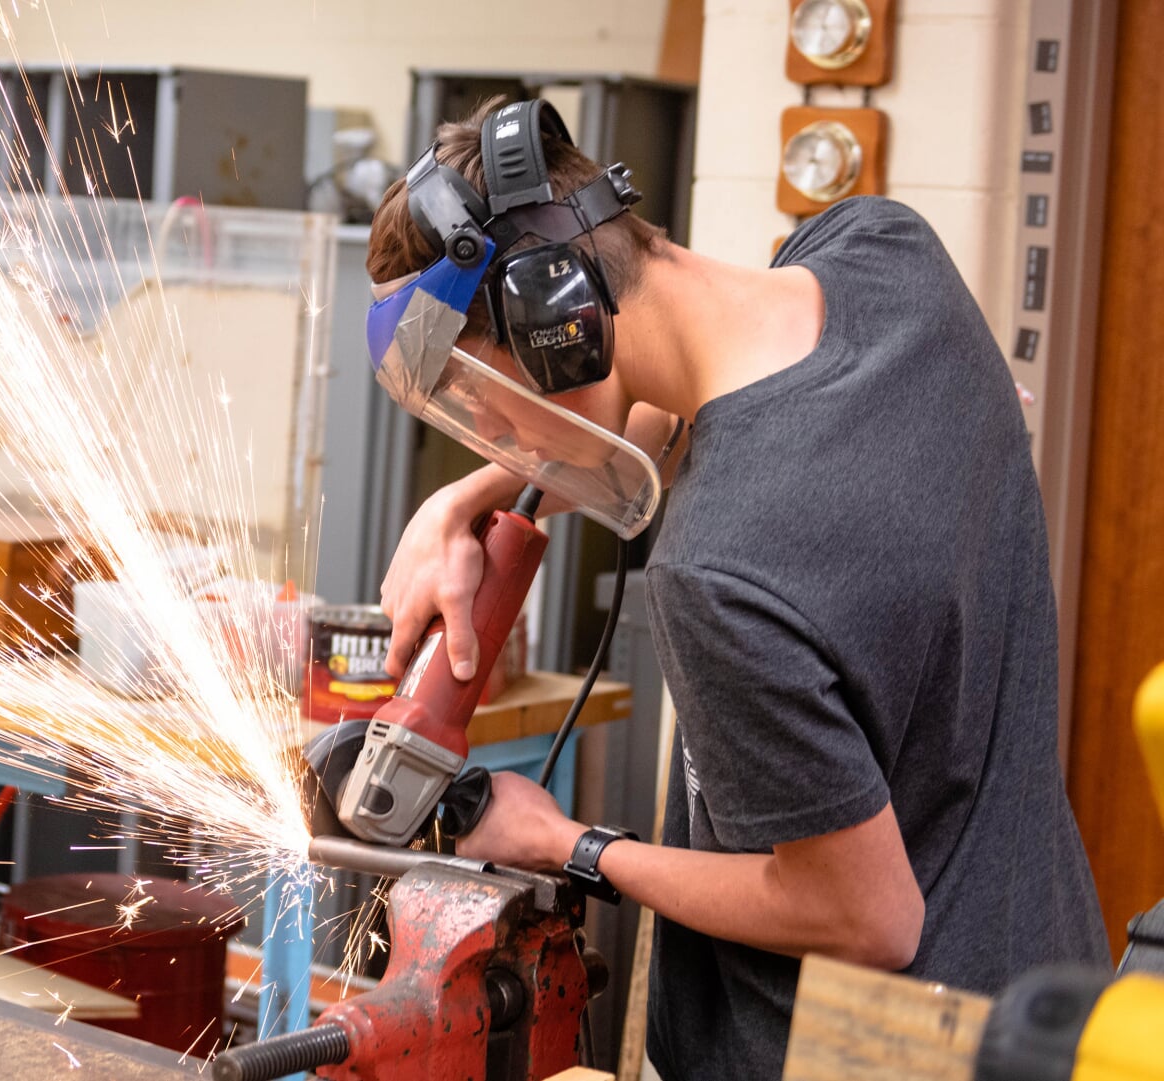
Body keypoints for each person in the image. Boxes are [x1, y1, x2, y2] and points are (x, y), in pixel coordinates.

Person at [367, 98, 1108, 1080]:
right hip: (1051, 996)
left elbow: (869, 916)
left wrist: (568, 841)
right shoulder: (889, 254)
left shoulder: (718, 571)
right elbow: (709, 420)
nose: (506, 440)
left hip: (876, 1056)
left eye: (488, 407)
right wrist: (468, 499)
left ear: (557, 328)